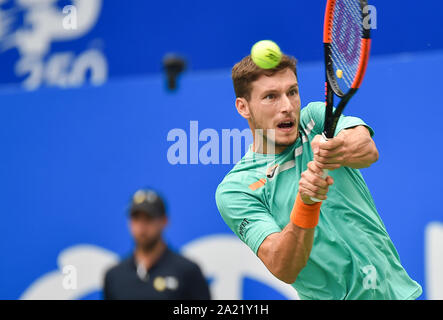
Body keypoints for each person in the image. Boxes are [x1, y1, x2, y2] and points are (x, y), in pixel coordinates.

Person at [215, 54, 422, 300]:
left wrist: (336, 149)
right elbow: (283, 266)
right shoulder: (237, 189)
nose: (287, 106)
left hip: (396, 294)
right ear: (243, 107)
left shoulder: (313, 120)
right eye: (271, 96)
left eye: (292, 92)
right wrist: (306, 203)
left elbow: (367, 150)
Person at [104, 188, 211, 300]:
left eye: (148, 218)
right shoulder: (114, 276)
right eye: (136, 218)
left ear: (164, 221)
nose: (142, 226)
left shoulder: (188, 271)